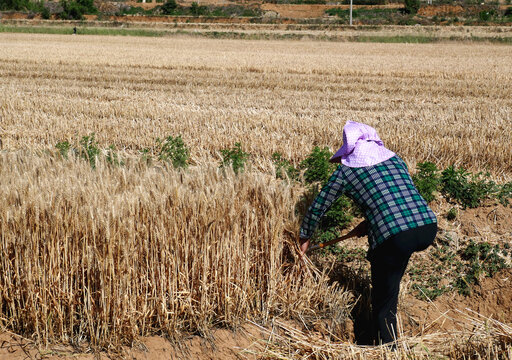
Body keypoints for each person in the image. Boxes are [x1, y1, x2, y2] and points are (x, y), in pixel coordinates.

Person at [299, 121, 437, 345]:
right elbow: (398, 199)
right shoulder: (394, 158)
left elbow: (319, 206)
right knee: (391, 279)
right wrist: (371, 222)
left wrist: (304, 237)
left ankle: (387, 350)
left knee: (384, 299)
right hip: (426, 226)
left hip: (396, 236)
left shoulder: (346, 171)